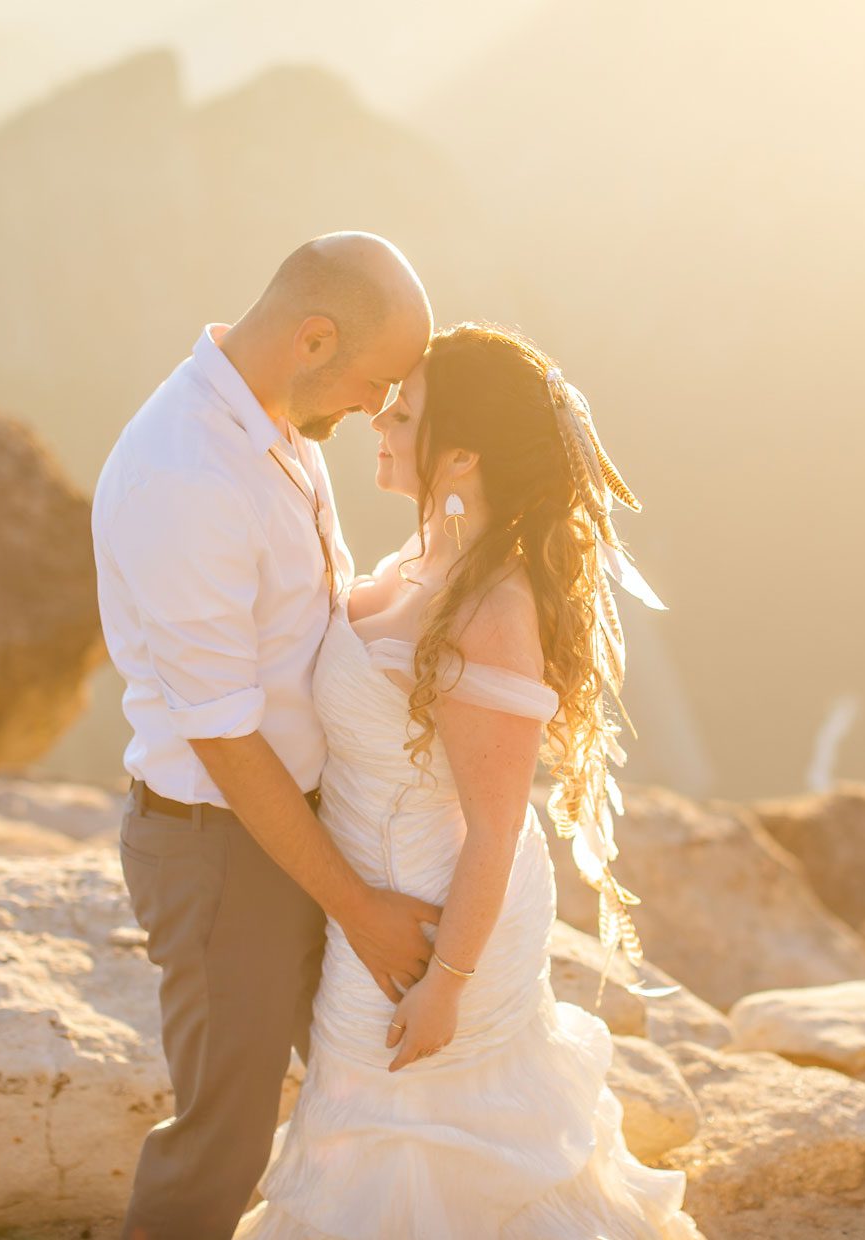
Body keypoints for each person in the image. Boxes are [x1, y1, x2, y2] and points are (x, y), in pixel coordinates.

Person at [234, 322, 701, 1237]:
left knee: (424, 1147)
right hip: (378, 908)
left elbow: (496, 827)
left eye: (402, 414)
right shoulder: (418, 567)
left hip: (443, 926)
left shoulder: (491, 607)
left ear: (459, 458)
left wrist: (447, 982)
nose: (377, 420)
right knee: (371, 1138)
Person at [91, 232, 442, 1240]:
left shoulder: (278, 427)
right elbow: (227, 741)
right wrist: (360, 906)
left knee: (362, 1093)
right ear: (316, 338)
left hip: (301, 826)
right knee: (223, 1139)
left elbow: (310, 624)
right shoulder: (186, 472)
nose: (379, 409)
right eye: (375, 383)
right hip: (222, 849)